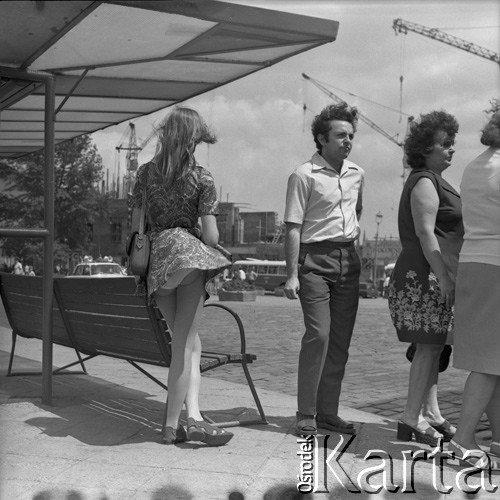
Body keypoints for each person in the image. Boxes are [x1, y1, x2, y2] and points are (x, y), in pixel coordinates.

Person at [131, 107, 232, 446]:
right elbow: (213, 238)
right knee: (183, 347)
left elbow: (136, 231)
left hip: (157, 266)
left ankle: (195, 414)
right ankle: (172, 426)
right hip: (187, 264)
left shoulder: (145, 174)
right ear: (192, 140)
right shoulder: (202, 178)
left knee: (189, 343)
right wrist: (193, 233)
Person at [283, 102, 364, 436]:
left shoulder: (357, 174)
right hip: (314, 261)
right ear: (321, 138)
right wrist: (291, 274)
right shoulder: (304, 175)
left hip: (348, 259)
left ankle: (328, 412)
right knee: (319, 334)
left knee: (340, 341)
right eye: (340, 135)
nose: (347, 141)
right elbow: (292, 227)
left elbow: (356, 213)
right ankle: (306, 412)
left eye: (350, 135)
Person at [387, 110, 463, 447]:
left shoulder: (433, 179)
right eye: (445, 144)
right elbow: (425, 233)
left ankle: (430, 413)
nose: (451, 150)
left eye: (452, 144)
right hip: (427, 276)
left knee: (433, 347)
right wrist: (444, 276)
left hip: (433, 275)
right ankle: (410, 417)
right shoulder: (424, 181)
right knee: (428, 348)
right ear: (426, 149)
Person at [448, 109, 500, 470]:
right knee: (488, 361)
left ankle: (498, 438)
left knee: (494, 360)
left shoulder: (473, 166)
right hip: (497, 264)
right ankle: (463, 437)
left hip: (473, 261)